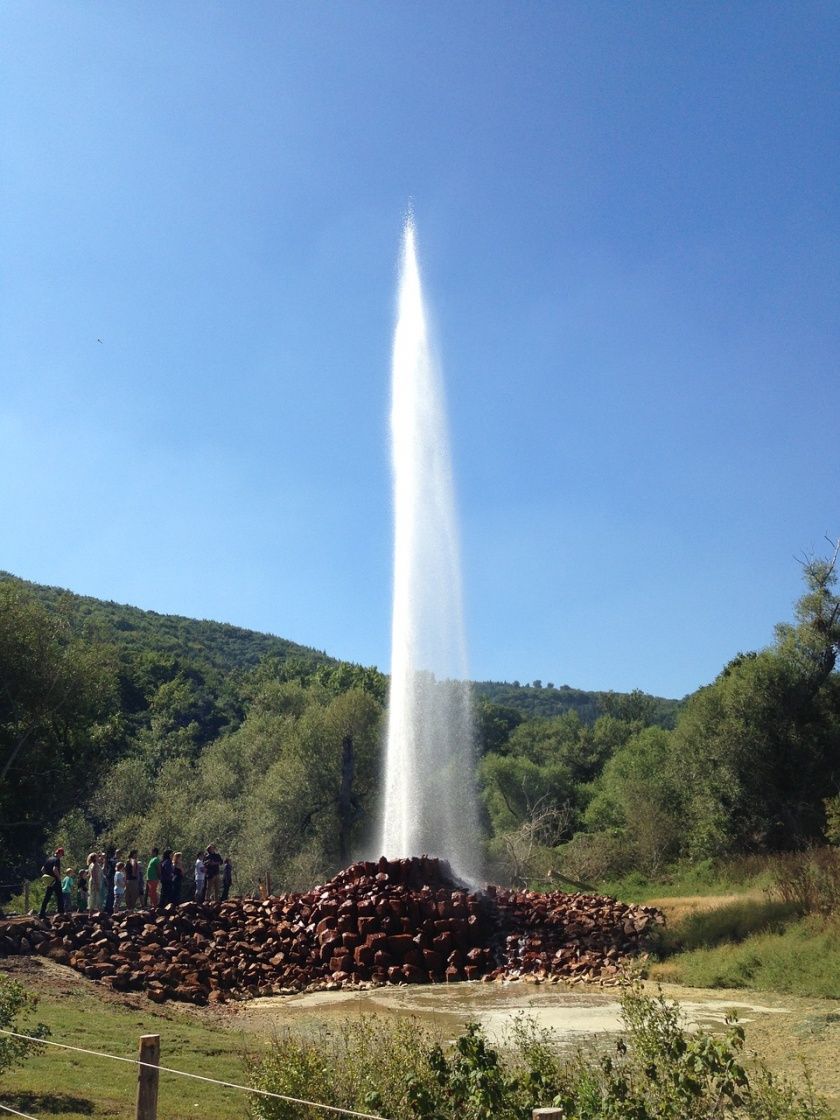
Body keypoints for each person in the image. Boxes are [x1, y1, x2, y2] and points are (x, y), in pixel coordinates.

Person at [39, 847, 65, 919]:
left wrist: (47, 876)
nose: (61, 856)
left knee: (47, 897)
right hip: (55, 880)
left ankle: (41, 913)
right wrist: (59, 878)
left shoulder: (49, 859)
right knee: (59, 896)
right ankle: (61, 912)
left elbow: (42, 869)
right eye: (62, 855)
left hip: (50, 881)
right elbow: (55, 869)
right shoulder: (57, 860)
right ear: (59, 853)